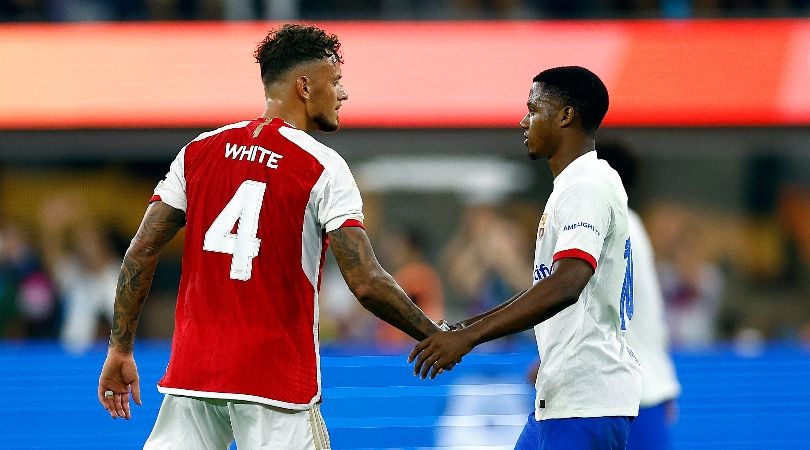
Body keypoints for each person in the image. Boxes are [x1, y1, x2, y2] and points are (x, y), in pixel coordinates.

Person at [97, 24, 443, 449]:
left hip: (194, 376)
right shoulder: (323, 167)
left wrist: (120, 348)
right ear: (304, 86)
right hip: (276, 384)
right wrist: (433, 333)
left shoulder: (199, 150)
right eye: (334, 81)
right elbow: (366, 281)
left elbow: (140, 252)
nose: (343, 93)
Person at [409, 66, 642, 450]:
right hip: (562, 395)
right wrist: (462, 329)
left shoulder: (587, 186)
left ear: (566, 115)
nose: (523, 120)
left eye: (533, 109)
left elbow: (567, 284)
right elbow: (548, 286)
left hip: (584, 401)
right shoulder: (574, 186)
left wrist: (469, 337)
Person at [596, 142, 682, 450]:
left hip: (631, 395)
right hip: (643, 390)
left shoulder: (613, 225)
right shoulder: (632, 223)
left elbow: (593, 304)